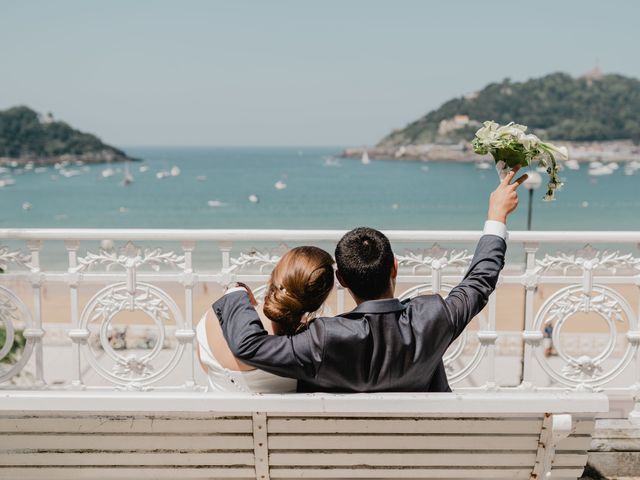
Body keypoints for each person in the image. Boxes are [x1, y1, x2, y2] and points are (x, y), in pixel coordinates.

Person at [213, 167, 527, 392]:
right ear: (394, 267)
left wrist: (235, 295)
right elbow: (479, 282)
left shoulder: (322, 340)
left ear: (341, 280)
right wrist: (496, 216)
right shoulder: (433, 317)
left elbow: (247, 345)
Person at [196, 246, 334, 392]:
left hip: (219, 413)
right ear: (318, 302)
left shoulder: (213, 316)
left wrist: (245, 304)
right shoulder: (308, 350)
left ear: (273, 276)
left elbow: (206, 368)